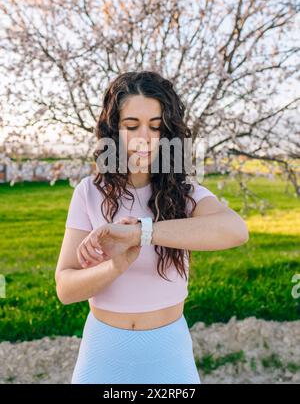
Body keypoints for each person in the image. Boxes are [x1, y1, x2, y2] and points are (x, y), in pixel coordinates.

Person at [55, 71, 249, 384]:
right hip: (104, 353)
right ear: (114, 130)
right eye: (131, 126)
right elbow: (65, 288)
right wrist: (115, 266)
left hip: (168, 354)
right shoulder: (89, 192)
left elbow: (236, 230)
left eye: (155, 127)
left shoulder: (187, 195)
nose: (144, 137)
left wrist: (141, 233)